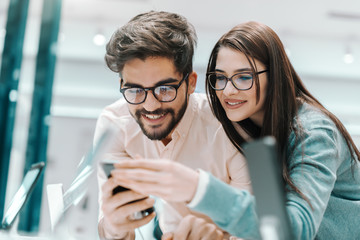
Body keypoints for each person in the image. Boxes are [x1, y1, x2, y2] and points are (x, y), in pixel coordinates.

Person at [112, 21, 360, 239]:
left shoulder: (315, 132)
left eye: (243, 77)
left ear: (274, 76)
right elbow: (267, 223)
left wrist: (197, 187)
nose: (228, 91)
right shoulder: (246, 128)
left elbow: (295, 230)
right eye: (220, 78)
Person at [95, 11, 251, 240]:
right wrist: (114, 227)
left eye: (165, 89)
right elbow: (111, 227)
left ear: (190, 83)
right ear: (122, 84)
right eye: (135, 90)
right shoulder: (115, 125)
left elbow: (256, 227)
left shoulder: (230, 127)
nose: (150, 105)